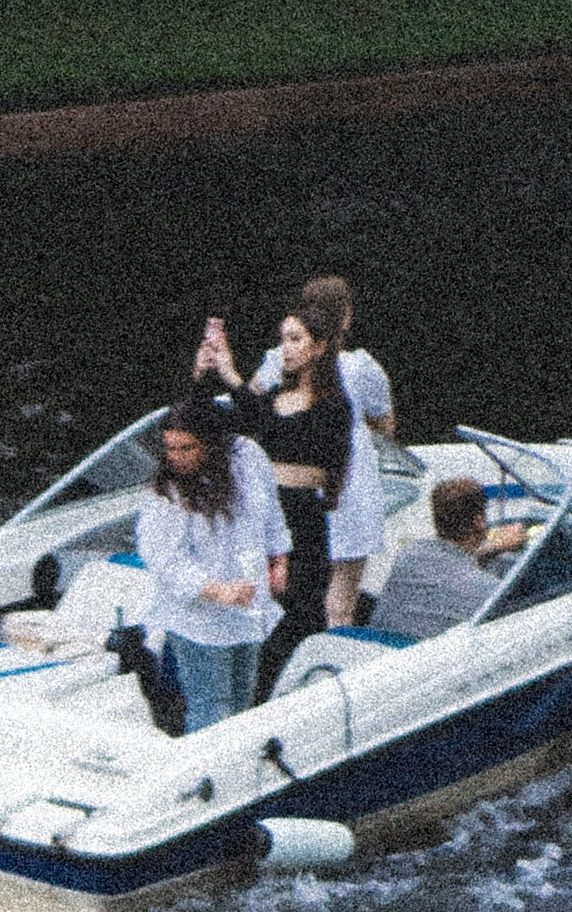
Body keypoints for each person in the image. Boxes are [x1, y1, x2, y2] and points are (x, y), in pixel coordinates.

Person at [196, 280, 390, 634]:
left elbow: (261, 413)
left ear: (317, 343)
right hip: (310, 497)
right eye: (284, 339)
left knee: (308, 604)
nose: (285, 348)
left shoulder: (330, 400)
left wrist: (234, 379)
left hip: (313, 501)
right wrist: (218, 373)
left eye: (294, 339)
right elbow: (383, 428)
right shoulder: (345, 374)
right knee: (329, 605)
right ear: (345, 317)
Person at [134, 399, 290, 732]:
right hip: (198, 614)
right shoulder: (167, 493)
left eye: (186, 448)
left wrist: (279, 557)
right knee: (211, 707)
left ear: (210, 443)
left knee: (243, 699)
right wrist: (216, 591)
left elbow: (271, 510)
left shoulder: (247, 457)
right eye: (170, 448)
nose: (177, 457)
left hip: (248, 600)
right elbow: (162, 558)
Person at [366, 475, 527, 642]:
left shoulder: (409, 554)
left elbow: (453, 562)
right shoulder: (489, 592)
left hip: (382, 645)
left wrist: (495, 546)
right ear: (479, 521)